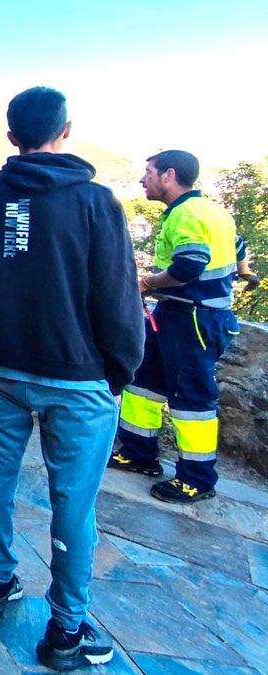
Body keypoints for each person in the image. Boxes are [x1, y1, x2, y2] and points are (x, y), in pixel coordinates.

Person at [0, 87, 144, 671]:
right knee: (74, 502)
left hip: (1, 370)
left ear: (11, 136)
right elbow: (118, 297)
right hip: (77, 378)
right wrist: (120, 368)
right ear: (67, 130)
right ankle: (65, 630)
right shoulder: (96, 203)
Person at [108, 150, 240, 503]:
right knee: (144, 382)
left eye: (147, 172)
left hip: (193, 317)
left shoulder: (186, 214)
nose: (142, 178)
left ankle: (196, 478)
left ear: (169, 175)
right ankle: (138, 452)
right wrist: (245, 272)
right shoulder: (211, 210)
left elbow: (189, 266)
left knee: (192, 399)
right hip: (177, 314)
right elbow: (236, 246)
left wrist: (146, 284)